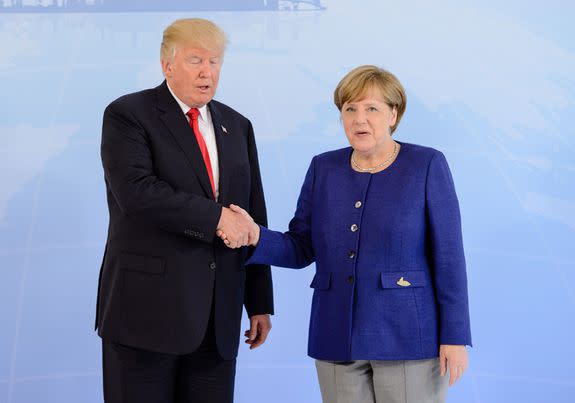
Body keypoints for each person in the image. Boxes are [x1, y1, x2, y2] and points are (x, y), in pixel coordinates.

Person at [219, 65, 472, 403]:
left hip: (408, 338)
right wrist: (254, 236)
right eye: (349, 109)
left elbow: (449, 257)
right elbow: (301, 247)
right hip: (336, 336)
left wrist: (454, 336)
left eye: (372, 109)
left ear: (394, 114)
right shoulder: (323, 167)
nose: (359, 119)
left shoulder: (426, 165)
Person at [95, 18, 273, 403]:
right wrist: (215, 219)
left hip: (217, 321)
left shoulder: (238, 126)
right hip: (145, 316)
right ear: (167, 64)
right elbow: (138, 194)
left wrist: (259, 302)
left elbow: (252, 214)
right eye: (195, 60)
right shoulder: (128, 115)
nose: (207, 72)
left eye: (214, 61)